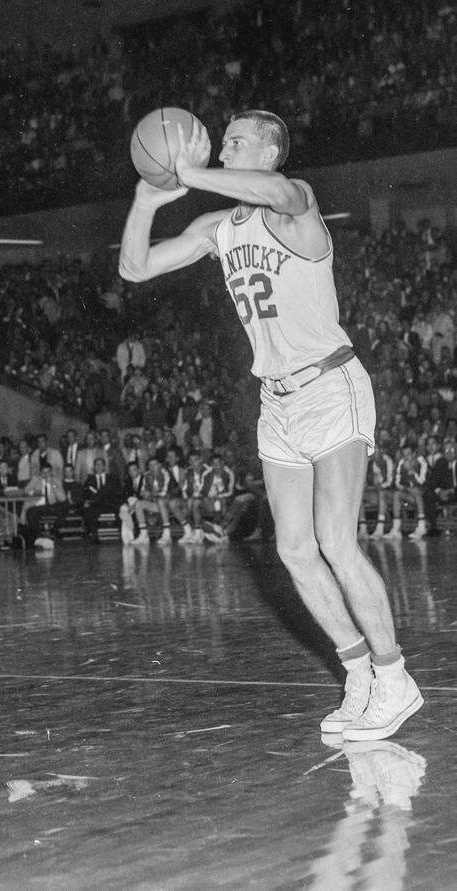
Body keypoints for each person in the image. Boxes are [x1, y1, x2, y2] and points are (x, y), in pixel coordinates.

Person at [118, 109, 421, 741]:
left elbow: (281, 193)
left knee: (336, 541)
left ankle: (395, 677)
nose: (222, 145)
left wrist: (192, 169)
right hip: (277, 401)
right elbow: (135, 267)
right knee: (291, 549)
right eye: (221, 140)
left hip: (330, 385)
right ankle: (359, 670)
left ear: (270, 151)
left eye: (235, 140)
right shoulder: (216, 226)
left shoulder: (294, 205)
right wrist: (148, 198)